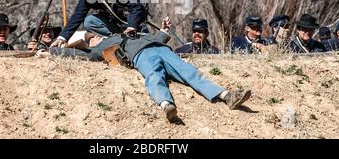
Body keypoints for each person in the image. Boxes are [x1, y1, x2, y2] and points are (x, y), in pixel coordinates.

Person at [78, 17, 251, 123]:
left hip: (162, 49)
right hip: (141, 55)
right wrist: (54, 48)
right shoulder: (101, 47)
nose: (95, 38)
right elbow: (80, 53)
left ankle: (227, 96)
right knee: (154, 75)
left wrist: (164, 31)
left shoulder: (132, 31)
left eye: (93, 36)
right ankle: (166, 105)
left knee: (190, 72)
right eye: (91, 39)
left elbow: (158, 38)